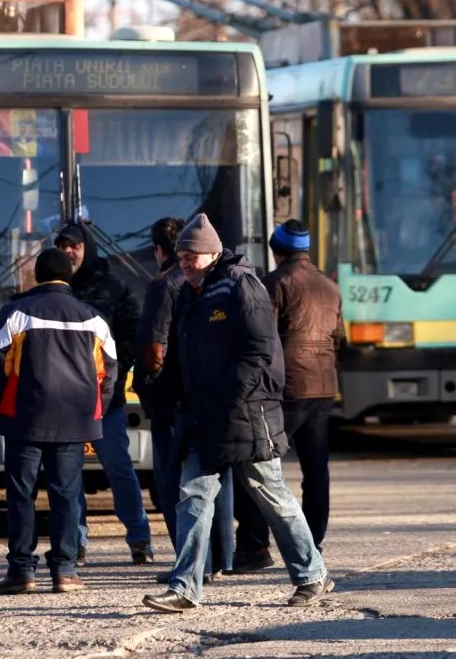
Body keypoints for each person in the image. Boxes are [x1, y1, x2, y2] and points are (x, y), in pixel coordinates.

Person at [142, 213, 333, 613]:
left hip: (245, 415)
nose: (184, 264)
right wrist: (166, 397)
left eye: (191, 257)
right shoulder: (191, 295)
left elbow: (259, 349)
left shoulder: (241, 286)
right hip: (203, 417)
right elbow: (179, 357)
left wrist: (231, 397)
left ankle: (312, 574)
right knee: (193, 496)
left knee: (271, 496)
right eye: (181, 257)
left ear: (212, 254)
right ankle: (185, 588)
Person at [0, 248, 117, 595]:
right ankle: (65, 571)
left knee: (21, 494)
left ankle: (22, 572)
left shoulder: (14, 312)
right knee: (66, 495)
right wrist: (93, 408)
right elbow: (110, 370)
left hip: (24, 419)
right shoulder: (93, 318)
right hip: (74, 420)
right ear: (68, 276)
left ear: (37, 276)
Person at [232, 219, 345, 570]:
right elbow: (339, 337)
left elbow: (264, 338)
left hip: (287, 387)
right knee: (316, 470)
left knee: (258, 462)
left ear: (275, 249)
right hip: (323, 385)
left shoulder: (275, 282)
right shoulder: (330, 286)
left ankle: (254, 547)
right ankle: (312, 544)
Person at [133, 217, 233, 584]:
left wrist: (145, 386)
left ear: (163, 251)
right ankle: (221, 558)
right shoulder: (216, 283)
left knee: (173, 483)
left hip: (173, 399)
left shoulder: (165, 286)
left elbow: (153, 348)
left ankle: (193, 566)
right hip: (210, 394)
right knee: (215, 479)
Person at [54, 222, 153, 566]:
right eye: (63, 246)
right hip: (64, 403)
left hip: (104, 399)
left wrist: (112, 373)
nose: (69, 251)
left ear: (87, 248)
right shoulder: (53, 290)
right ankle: (75, 543)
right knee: (69, 475)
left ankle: (139, 538)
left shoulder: (114, 287)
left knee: (119, 468)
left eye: (74, 245)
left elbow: (132, 335)